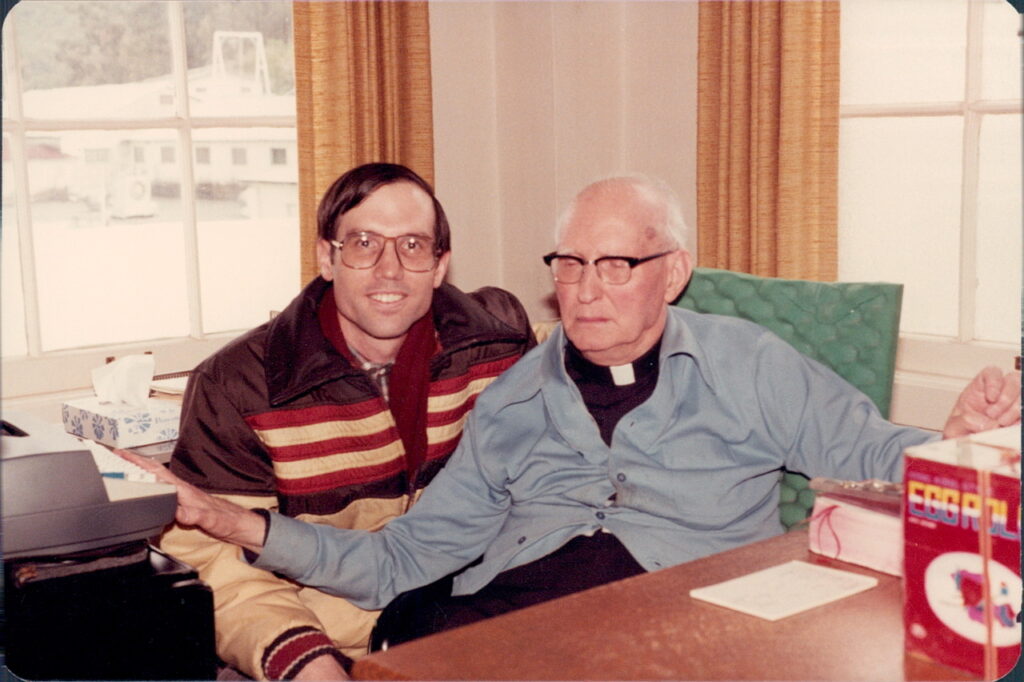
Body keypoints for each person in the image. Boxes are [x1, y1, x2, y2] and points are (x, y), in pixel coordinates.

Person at [127, 174, 1020, 655]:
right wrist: (235, 522)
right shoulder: (512, 393)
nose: (585, 290)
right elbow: (404, 555)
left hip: (681, 630)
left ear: (671, 272)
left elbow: (867, 446)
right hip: (508, 626)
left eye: (615, 265)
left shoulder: (749, 364)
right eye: (568, 264)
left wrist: (952, 445)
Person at [158, 162, 535, 680]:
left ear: (440, 264)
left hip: (473, 623)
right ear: (326, 258)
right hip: (320, 640)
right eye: (363, 243)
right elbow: (215, 560)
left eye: (412, 245)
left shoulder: (499, 350)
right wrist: (307, 660)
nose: (389, 269)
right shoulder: (240, 385)